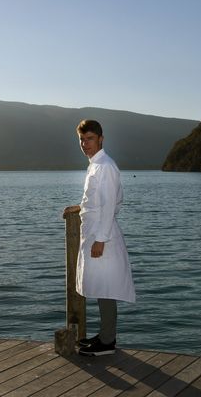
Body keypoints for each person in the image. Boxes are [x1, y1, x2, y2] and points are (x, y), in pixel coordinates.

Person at [64, 119, 136, 356]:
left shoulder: (105, 165)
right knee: (102, 287)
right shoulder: (96, 165)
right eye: (82, 140)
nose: (85, 143)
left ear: (101, 139)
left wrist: (100, 239)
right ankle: (105, 336)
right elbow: (105, 200)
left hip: (101, 236)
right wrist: (81, 207)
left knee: (106, 289)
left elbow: (108, 206)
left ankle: (107, 342)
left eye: (90, 138)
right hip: (95, 232)